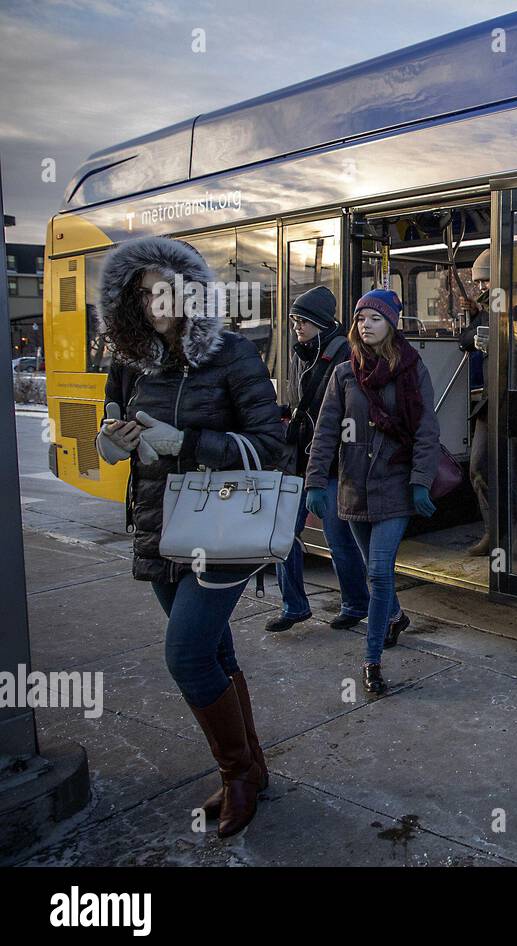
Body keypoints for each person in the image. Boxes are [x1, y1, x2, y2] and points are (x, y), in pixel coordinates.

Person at [94, 235, 288, 839]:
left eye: (165, 289)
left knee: (185, 654)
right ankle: (252, 769)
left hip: (222, 530)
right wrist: (112, 442)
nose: (156, 302)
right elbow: (112, 421)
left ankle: (233, 776)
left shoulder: (230, 355)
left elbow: (271, 446)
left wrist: (188, 444)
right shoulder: (129, 361)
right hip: (158, 528)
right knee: (214, 653)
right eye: (144, 293)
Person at [305, 289, 442, 695]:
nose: (365, 324)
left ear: (392, 326)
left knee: (380, 572)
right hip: (352, 490)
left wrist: (420, 481)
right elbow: (326, 430)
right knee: (372, 572)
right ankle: (395, 618)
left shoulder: (412, 370)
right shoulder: (344, 373)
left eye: (375, 319)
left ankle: (371, 661)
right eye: (360, 318)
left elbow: (426, 431)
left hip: (395, 488)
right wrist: (315, 481)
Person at [265, 286, 372, 633]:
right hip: (299, 459)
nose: (296, 326)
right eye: (295, 319)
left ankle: (356, 603)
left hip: (330, 462)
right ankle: (294, 605)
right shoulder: (303, 353)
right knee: (283, 535)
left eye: (302, 320)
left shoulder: (343, 354)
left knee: (338, 539)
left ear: (320, 323)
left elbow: (344, 411)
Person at [458, 248, 492, 557]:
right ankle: (492, 532)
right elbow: (466, 340)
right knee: (479, 466)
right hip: (489, 398)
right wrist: (476, 316)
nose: (482, 288)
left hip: (513, 396)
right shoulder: (484, 313)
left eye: (486, 282)